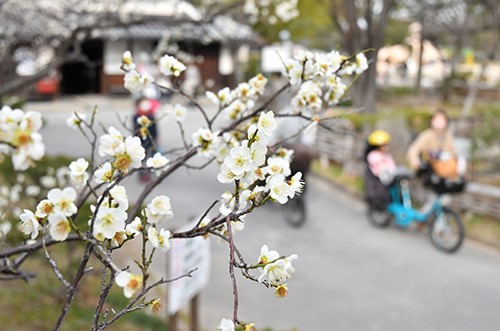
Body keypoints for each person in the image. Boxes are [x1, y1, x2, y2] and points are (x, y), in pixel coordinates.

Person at [364, 130, 397, 210]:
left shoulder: (386, 155)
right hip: (381, 180)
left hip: (390, 176)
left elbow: (392, 166)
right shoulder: (373, 156)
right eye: (384, 145)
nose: (386, 147)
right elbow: (379, 169)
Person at [133, 96, 160, 182]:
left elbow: (155, 128)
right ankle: (141, 174)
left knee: (151, 156)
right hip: (140, 140)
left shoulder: (151, 115)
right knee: (141, 158)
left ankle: (150, 173)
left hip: (151, 140)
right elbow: (135, 129)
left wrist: (156, 137)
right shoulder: (136, 116)